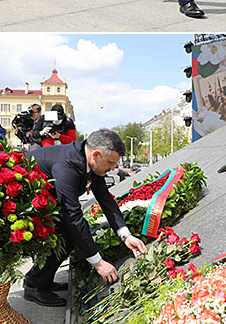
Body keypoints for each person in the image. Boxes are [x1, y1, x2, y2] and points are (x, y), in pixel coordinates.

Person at [23, 128, 146, 306]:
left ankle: (40, 280)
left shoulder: (89, 161)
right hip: (26, 205)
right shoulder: (68, 165)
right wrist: (98, 263)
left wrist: (125, 235)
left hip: (48, 202)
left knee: (69, 235)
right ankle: (35, 285)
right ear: (96, 154)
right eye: (111, 162)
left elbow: (105, 199)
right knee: (66, 234)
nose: (113, 168)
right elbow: (72, 215)